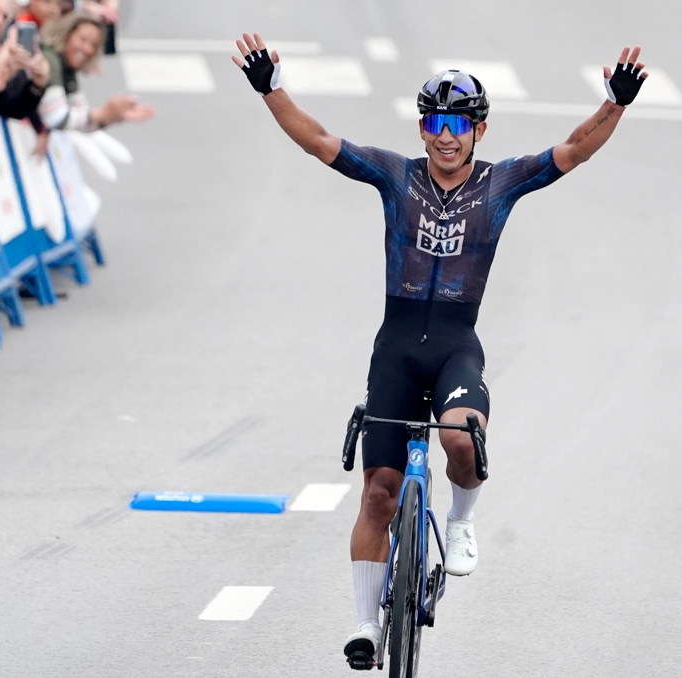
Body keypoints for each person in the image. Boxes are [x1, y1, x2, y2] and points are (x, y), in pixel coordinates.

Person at [231, 32, 650, 666]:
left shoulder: (501, 183)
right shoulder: (395, 176)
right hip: (395, 348)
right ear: (422, 127)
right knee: (378, 493)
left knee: (461, 439)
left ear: (478, 130)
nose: (444, 135)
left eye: (458, 123)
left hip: (456, 344)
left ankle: (460, 520)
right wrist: (271, 89)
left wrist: (613, 106)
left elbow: (573, 151)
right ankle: (366, 626)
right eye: (434, 122)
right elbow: (320, 142)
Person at [38, 10, 151, 131]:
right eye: (83, 40)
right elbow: (57, 118)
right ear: (66, 35)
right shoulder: (50, 59)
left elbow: (81, 116)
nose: (86, 49)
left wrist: (113, 116)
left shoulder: (67, 67)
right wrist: (103, 113)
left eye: (93, 44)